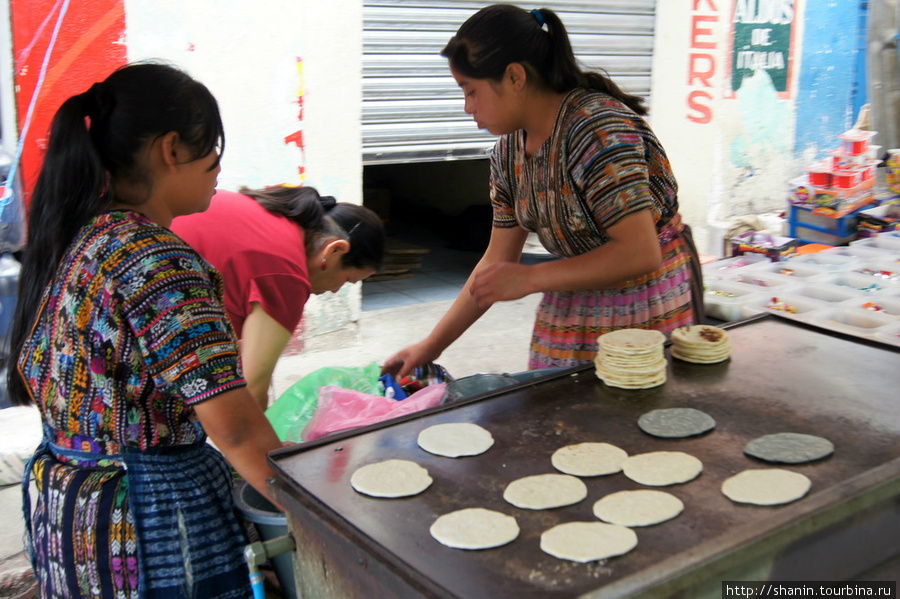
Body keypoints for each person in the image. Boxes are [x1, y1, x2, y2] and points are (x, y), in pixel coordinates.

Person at [7, 62, 284, 598]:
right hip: (145, 526)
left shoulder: (79, 239)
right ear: (172, 149)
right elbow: (236, 430)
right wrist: (310, 507)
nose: (219, 171)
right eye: (214, 155)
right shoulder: (157, 260)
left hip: (70, 517)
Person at [383, 4, 704, 378]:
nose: (467, 107)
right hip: (573, 303)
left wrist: (532, 278)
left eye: (471, 91)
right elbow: (495, 263)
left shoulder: (596, 131)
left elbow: (639, 252)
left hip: (646, 299)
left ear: (515, 77)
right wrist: (430, 346)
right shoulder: (508, 156)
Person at [171, 186, 384, 411]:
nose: (335, 289)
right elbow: (250, 391)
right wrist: (272, 445)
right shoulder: (287, 274)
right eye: (347, 279)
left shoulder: (268, 214)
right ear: (334, 250)